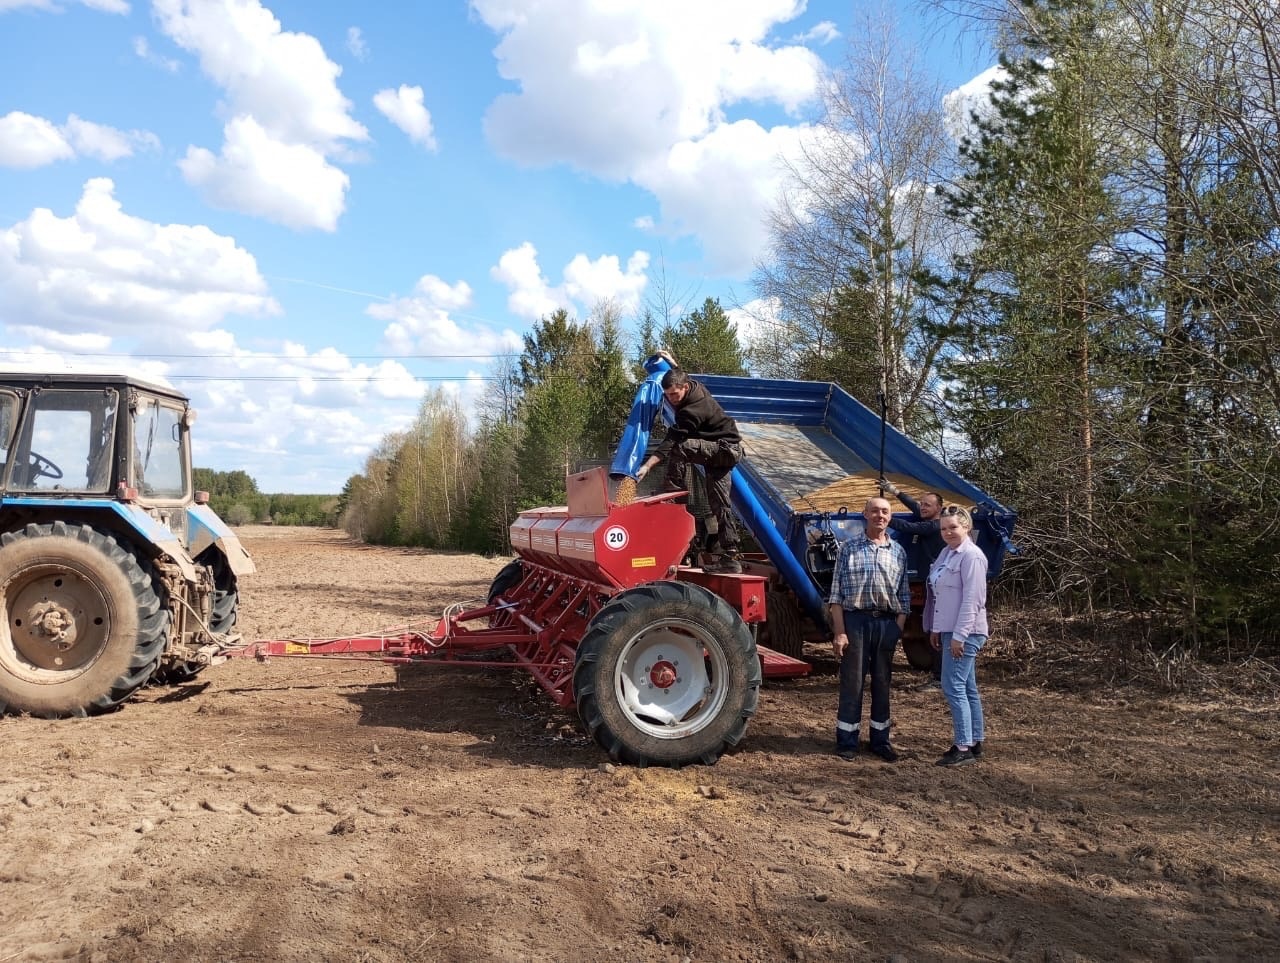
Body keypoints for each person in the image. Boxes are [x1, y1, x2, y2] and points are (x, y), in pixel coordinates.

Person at [827, 495, 912, 762]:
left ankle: (880, 741)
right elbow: (836, 595)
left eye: (885, 512)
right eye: (874, 511)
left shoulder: (898, 552)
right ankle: (847, 741)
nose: (880, 516)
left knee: (882, 683)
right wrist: (840, 632)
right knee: (852, 683)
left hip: (886, 623)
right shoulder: (848, 548)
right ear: (865, 514)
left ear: (890, 517)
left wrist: (897, 629)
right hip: (855, 622)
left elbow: (904, 597)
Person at [635, 369, 745, 574]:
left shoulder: (692, 411)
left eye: (674, 395)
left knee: (681, 447)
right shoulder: (693, 385)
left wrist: (648, 465)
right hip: (718, 455)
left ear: (685, 387)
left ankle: (674, 492)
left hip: (725, 450)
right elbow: (679, 372)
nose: (671, 400)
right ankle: (731, 556)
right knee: (720, 504)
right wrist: (667, 359)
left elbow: (672, 440)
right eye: (667, 395)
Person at [922, 506, 989, 767]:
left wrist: (959, 636)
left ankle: (962, 747)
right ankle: (974, 740)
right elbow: (941, 596)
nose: (948, 532)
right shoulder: (946, 553)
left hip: (967, 631)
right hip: (950, 629)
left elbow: (972, 600)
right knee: (967, 687)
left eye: (953, 527)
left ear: (966, 527)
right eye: (944, 528)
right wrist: (937, 628)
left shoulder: (971, 557)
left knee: (953, 686)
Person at [879, 479, 946, 688]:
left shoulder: (934, 525)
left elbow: (908, 527)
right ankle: (940, 675)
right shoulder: (932, 518)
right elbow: (915, 509)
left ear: (939, 509)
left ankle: (940, 677)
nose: (922, 507)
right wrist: (895, 491)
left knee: (939, 630)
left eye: (928, 505)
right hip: (930, 583)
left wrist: (883, 516)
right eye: (922, 503)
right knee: (934, 628)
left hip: (938, 586)